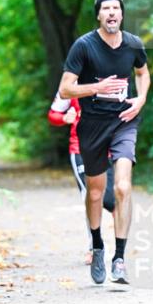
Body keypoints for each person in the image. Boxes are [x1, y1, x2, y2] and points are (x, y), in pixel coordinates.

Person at [58, 0, 150, 285]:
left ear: (122, 14)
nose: (112, 13)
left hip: (124, 120)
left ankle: (120, 257)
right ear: (98, 15)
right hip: (93, 125)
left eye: (116, 8)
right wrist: (96, 88)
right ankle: (98, 245)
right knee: (96, 192)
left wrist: (141, 99)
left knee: (123, 187)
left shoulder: (134, 44)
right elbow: (65, 89)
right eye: (106, 9)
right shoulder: (84, 46)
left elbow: (143, 73)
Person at [47, 92, 116, 263]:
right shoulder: (71, 84)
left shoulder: (111, 79)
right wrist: (64, 119)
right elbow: (53, 114)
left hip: (106, 148)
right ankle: (95, 248)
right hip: (80, 149)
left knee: (111, 201)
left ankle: (120, 249)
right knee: (90, 194)